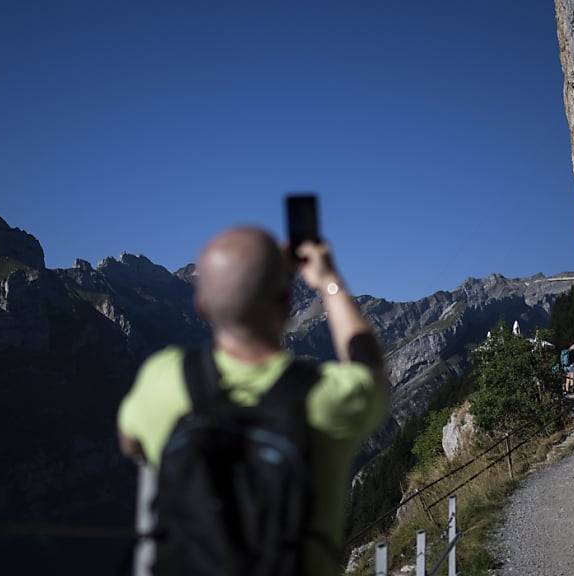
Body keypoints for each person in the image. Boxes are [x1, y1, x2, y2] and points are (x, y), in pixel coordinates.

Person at [117, 227, 390, 576]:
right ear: (288, 302)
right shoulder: (327, 396)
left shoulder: (163, 378)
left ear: (201, 306)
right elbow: (369, 370)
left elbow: (130, 442)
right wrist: (328, 281)